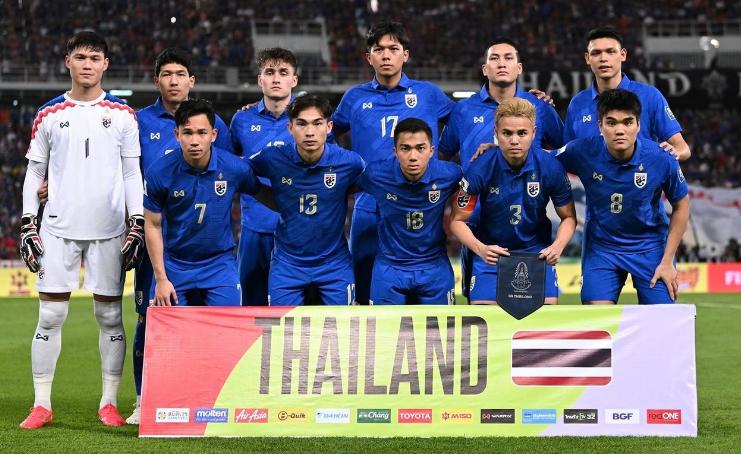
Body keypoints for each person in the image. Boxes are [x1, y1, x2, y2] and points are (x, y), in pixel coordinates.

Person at [19, 31, 143, 429]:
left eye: (94, 58)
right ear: (68, 61)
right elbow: (34, 172)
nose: (87, 64)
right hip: (58, 229)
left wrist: (137, 222)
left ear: (105, 64)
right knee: (50, 315)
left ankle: (109, 403)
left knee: (109, 316)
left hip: (109, 229)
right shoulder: (48, 113)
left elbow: (131, 173)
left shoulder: (123, 114)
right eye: (80, 57)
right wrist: (28, 222)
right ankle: (41, 404)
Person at [126, 47, 234, 424]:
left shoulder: (215, 122)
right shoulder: (138, 121)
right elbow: (122, 170)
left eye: (180, 74)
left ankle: (205, 395)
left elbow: (230, 169)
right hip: (156, 242)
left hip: (203, 243)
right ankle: (143, 398)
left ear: (192, 80)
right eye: (167, 74)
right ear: (157, 80)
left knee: (209, 321)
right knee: (149, 320)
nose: (174, 81)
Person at [332, 21, 454, 304]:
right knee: (365, 293)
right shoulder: (354, 97)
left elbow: (464, 125)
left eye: (393, 49)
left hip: (418, 203)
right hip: (369, 205)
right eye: (379, 49)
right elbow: (325, 133)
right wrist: (345, 164)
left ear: (405, 55)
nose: (386, 55)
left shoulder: (428, 93)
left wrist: (440, 157)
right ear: (369, 57)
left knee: (425, 292)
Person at [439, 38, 564, 301]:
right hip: (476, 229)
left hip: (529, 229)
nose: (501, 63)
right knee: (482, 311)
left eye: (508, 58)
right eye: (494, 58)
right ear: (485, 69)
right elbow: (441, 157)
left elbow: (566, 151)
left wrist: (543, 156)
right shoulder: (463, 110)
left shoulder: (540, 107)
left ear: (520, 68)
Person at [555, 89, 690, 304]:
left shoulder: (661, 157)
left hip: (650, 247)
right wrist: (500, 149)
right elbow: (542, 161)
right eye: (611, 122)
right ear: (600, 126)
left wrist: (667, 261)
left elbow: (682, 206)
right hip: (602, 248)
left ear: (638, 125)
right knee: (597, 317)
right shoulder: (581, 150)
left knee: (661, 318)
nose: (620, 130)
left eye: (627, 122)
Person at [449, 98, 576, 304]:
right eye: (507, 133)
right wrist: (480, 249)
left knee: (547, 315)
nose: (514, 140)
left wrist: (557, 246)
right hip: (491, 254)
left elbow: (568, 217)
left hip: (535, 254)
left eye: (522, 133)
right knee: (483, 318)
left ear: (533, 132)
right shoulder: (480, 168)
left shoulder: (550, 167)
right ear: (496, 132)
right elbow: (457, 220)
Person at [143, 99, 261, 308]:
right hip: (175, 264)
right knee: (167, 328)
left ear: (213, 135)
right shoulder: (159, 172)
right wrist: (161, 278)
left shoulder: (234, 168)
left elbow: (262, 192)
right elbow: (152, 225)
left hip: (219, 264)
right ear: (177, 134)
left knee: (227, 328)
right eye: (187, 133)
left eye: (202, 133)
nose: (195, 141)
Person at [250, 95, 365, 305]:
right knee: (281, 325)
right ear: (290, 128)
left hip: (335, 264)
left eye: (317, 123)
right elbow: (237, 172)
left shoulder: (350, 162)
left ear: (329, 127)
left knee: (341, 325)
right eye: (301, 124)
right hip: (287, 264)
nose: (310, 132)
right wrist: (264, 194)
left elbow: (376, 181)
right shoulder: (272, 157)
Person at [358, 118, 461, 305]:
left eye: (420, 148)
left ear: (431, 151)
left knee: (439, 325)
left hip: (434, 267)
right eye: (405, 148)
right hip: (389, 268)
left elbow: (481, 180)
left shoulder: (450, 175)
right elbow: (341, 187)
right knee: (385, 325)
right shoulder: (375, 174)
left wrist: (491, 152)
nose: (413, 156)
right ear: (395, 151)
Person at [230, 48, 297, 307]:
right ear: (260, 80)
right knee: (249, 310)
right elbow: (229, 167)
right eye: (269, 72)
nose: (276, 78)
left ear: (294, 80)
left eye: (283, 72)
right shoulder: (241, 120)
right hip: (253, 231)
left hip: (296, 231)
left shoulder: (307, 120)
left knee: (293, 313)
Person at [564, 27, 691, 161]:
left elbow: (683, 148)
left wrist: (674, 153)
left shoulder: (650, 96)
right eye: (596, 53)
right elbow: (567, 154)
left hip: (641, 174)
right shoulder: (577, 104)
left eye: (610, 51)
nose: (603, 58)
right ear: (587, 58)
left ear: (623, 55)